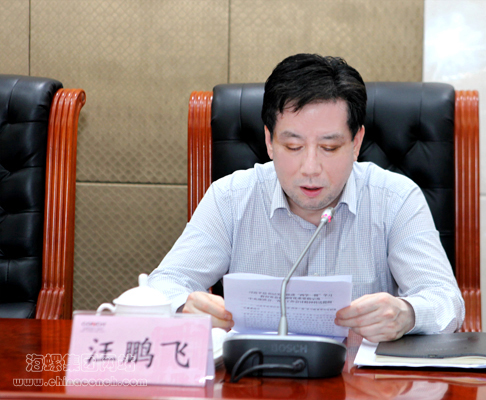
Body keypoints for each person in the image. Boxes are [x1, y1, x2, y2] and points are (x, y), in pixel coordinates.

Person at [148, 53, 464, 343]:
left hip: (358, 378)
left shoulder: (396, 199)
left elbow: (445, 299)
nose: (310, 168)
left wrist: (406, 314)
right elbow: (163, 284)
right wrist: (184, 307)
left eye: (329, 148)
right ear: (269, 141)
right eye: (293, 147)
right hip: (254, 375)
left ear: (356, 142)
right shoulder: (230, 198)